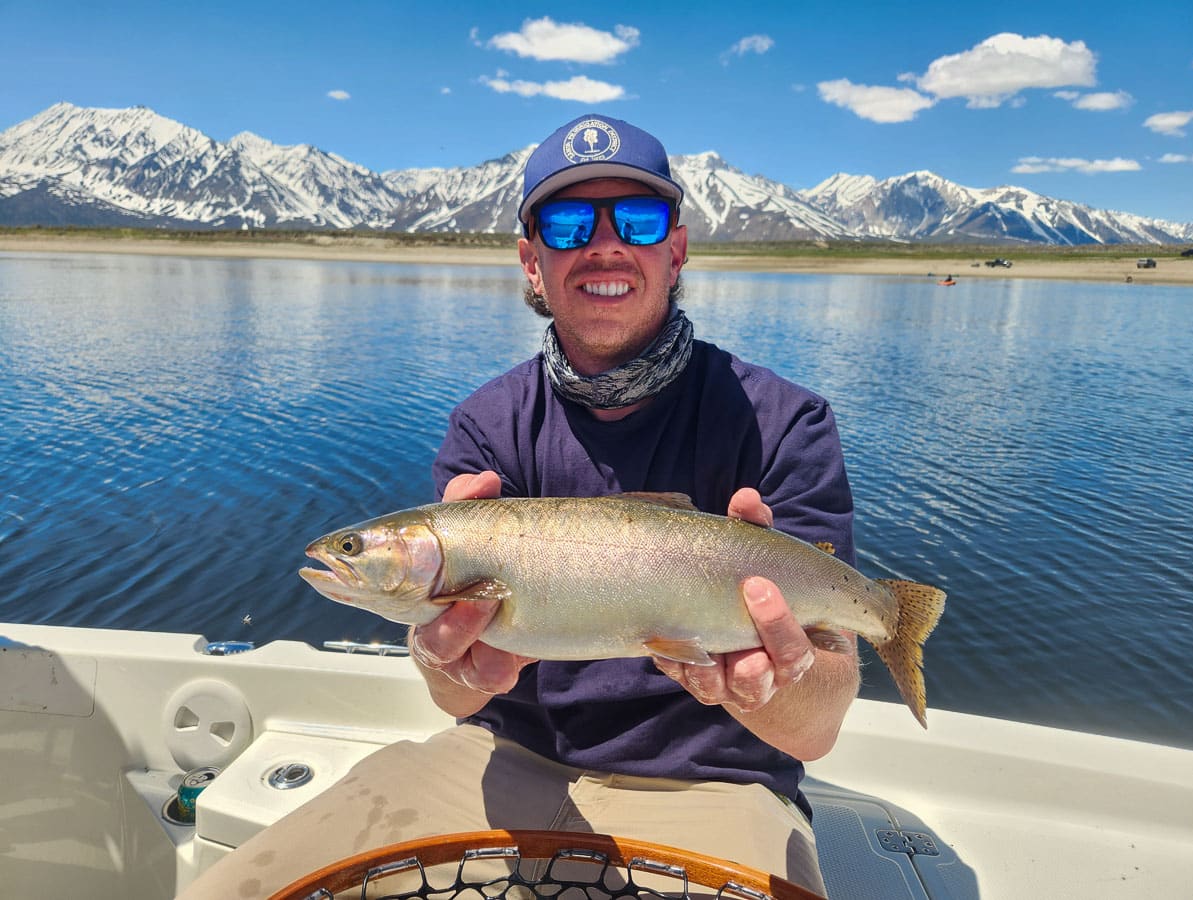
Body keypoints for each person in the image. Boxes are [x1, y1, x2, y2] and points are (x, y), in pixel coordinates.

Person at [179, 113, 859, 899]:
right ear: (532, 263)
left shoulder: (784, 421)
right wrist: (450, 665)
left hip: (716, 780)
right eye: (570, 224)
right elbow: (454, 692)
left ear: (675, 252)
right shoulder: (486, 424)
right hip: (502, 758)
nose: (605, 245)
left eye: (636, 220)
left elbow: (818, 726)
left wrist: (773, 683)